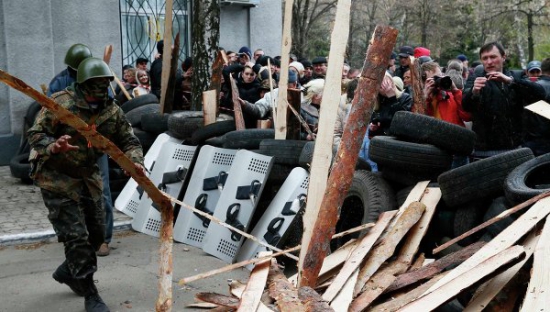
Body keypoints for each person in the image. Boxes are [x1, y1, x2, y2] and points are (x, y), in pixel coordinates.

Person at [28, 57, 145, 312]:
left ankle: (70, 270)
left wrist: (134, 163)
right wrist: (53, 146)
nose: (97, 96)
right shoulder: (61, 103)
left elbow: (130, 141)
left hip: (86, 174)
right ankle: (90, 294)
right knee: (76, 237)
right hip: (56, 176)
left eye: (103, 87)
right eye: (93, 89)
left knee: (97, 235)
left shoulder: (111, 109)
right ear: (82, 86)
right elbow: (35, 133)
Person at [46, 44, 114, 257]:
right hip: (69, 144)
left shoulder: (97, 78)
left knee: (100, 190)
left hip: (94, 143)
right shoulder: (59, 83)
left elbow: (111, 107)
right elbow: (48, 111)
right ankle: (78, 237)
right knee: (70, 192)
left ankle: (103, 239)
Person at [462, 41, 548, 157]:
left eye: (493, 57)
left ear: (503, 57)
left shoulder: (516, 76)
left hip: (515, 147)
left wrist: (510, 81)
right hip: (484, 149)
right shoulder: (476, 78)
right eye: (485, 58)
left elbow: (538, 94)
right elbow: (466, 106)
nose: (489, 62)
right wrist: (474, 92)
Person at [523, 57, 550, 156]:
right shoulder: (528, 89)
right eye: (532, 72)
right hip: (535, 143)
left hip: (533, 144)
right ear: (527, 72)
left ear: (541, 71)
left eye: (537, 72)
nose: (535, 75)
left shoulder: (526, 89)